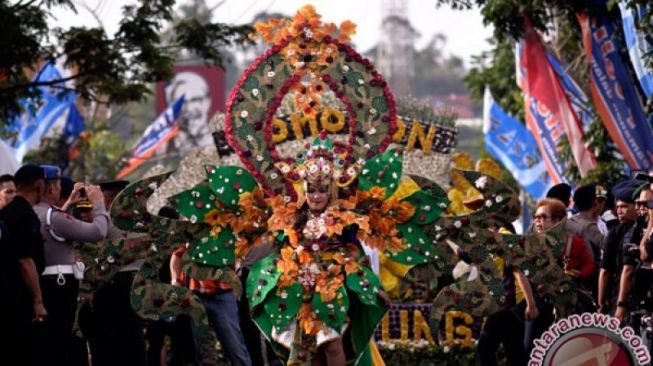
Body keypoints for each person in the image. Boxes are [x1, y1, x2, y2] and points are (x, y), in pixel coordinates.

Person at [32, 165, 110, 366]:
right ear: (50, 189)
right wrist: (99, 206)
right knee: (62, 341)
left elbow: (53, 226)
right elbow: (97, 232)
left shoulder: (35, 212)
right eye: (57, 185)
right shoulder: (54, 217)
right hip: (60, 287)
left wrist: (68, 204)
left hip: (44, 284)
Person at [171, 242, 252, 366]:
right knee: (198, 352)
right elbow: (177, 255)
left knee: (235, 348)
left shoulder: (228, 225)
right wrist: (175, 282)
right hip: (195, 295)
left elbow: (240, 254)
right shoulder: (189, 226)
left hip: (222, 294)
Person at [0, 165, 47, 365]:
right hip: (19, 297)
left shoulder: (7, 213)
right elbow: (25, 261)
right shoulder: (24, 215)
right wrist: (38, 301)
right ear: (39, 184)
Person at [598, 179, 644, 323]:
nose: (619, 211)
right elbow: (606, 270)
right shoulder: (616, 231)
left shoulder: (639, 230)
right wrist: (602, 301)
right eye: (617, 207)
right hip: (619, 297)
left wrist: (604, 302)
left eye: (624, 206)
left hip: (631, 299)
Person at [164, 71, 214, 150]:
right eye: (182, 102)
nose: (189, 108)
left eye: (195, 100)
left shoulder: (225, 144)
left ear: (208, 102)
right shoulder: (162, 148)